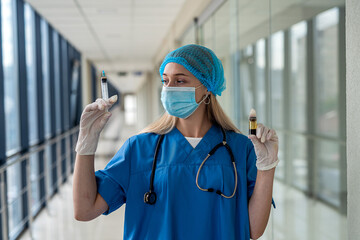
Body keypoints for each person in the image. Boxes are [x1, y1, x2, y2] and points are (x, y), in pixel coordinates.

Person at [73, 44, 279, 240]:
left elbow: (254, 229)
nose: (169, 88)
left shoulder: (240, 148)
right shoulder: (139, 148)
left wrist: (267, 168)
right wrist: (86, 143)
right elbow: (84, 209)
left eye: (180, 81)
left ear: (207, 87)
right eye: (165, 81)